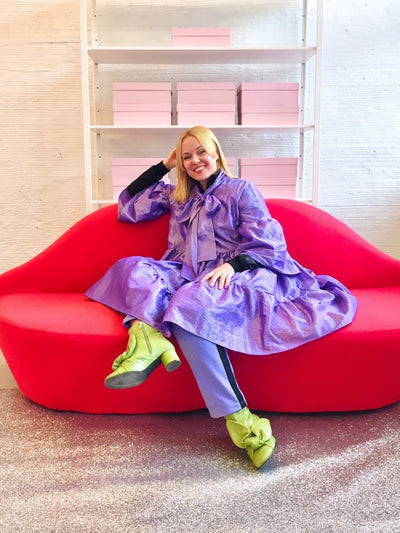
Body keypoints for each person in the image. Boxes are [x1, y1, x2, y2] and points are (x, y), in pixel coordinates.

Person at [86, 125, 357, 468]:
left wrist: (233, 265)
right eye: (187, 156)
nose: (195, 160)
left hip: (237, 272)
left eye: (201, 151)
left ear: (216, 152)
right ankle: (149, 339)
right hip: (184, 271)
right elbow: (128, 206)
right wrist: (165, 165)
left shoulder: (242, 190)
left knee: (188, 304)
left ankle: (241, 420)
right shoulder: (178, 196)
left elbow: (270, 245)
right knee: (130, 268)